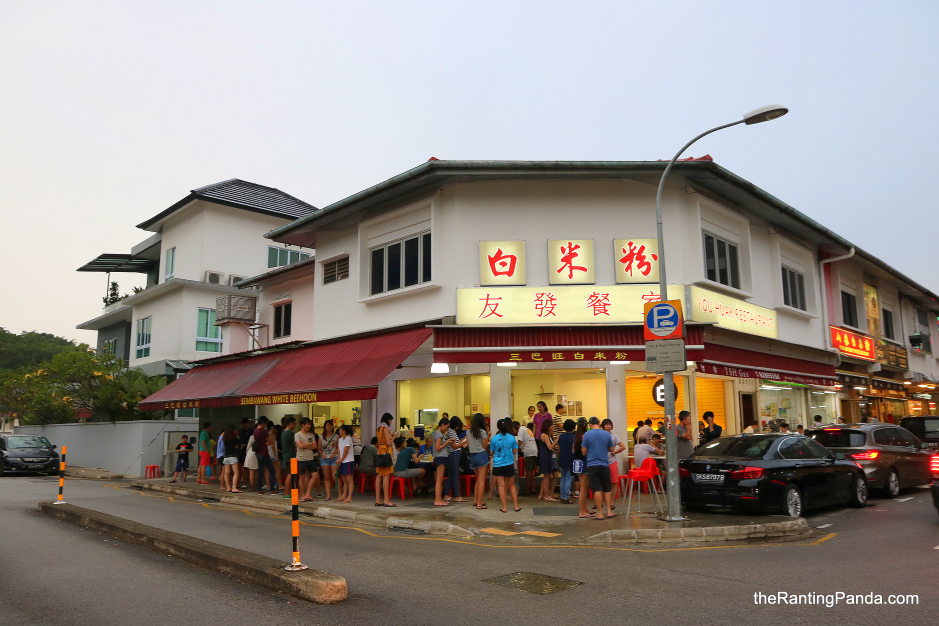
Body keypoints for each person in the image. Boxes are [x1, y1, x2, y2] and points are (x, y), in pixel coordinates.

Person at [582, 416, 616, 519]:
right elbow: (612, 449)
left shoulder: (587, 435)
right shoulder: (606, 434)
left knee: (596, 489)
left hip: (592, 465)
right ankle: (609, 511)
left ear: (590, 424)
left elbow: (583, 451)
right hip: (605, 464)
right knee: (607, 488)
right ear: (600, 423)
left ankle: (600, 514)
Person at [491, 418, 520, 513]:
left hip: (498, 464)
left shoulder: (494, 438)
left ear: (497, 427)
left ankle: (504, 507)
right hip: (509, 464)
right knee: (512, 485)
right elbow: (515, 451)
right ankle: (516, 506)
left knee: (501, 486)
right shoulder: (512, 437)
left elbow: (493, 451)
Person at [467, 413, 489, 509]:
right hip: (481, 455)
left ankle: (476, 500)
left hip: (472, 456)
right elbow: (484, 446)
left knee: (478, 479)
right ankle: (479, 503)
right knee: (481, 481)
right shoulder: (483, 432)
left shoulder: (468, 431)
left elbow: (467, 445)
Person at [294, 418, 320, 502]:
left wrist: (305, 445)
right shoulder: (297, 435)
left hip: (310, 458)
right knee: (302, 477)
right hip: (301, 459)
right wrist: (309, 444)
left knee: (315, 475)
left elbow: (315, 446)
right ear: (303, 425)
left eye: (310, 424)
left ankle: (308, 493)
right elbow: (300, 446)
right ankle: (302, 495)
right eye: (308, 424)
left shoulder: (311, 435)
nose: (309, 426)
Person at [375, 413, 396, 507]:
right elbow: (388, 442)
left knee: (379, 475)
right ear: (388, 419)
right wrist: (394, 437)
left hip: (380, 451)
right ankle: (386, 500)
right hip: (386, 452)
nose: (391, 422)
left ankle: (378, 499)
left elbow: (382, 439)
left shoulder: (379, 428)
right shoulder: (386, 428)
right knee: (386, 476)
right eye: (390, 420)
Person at [444, 416, 466, 502]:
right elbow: (454, 446)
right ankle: (457, 495)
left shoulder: (451, 432)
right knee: (456, 474)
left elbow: (456, 442)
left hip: (452, 454)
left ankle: (446, 495)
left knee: (451, 474)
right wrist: (463, 443)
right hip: (454, 454)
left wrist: (464, 440)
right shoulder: (452, 433)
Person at [573, 420, 591, 518]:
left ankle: (585, 509)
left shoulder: (575, 436)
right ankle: (582, 511)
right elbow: (585, 451)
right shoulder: (585, 436)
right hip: (584, 462)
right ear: (584, 425)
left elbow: (572, 450)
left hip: (577, 462)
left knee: (582, 487)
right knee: (583, 488)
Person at [432, 417, 452, 506]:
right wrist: (446, 443)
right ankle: (437, 500)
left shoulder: (436, 433)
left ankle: (439, 499)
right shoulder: (439, 434)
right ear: (442, 425)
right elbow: (438, 447)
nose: (447, 430)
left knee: (439, 480)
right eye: (446, 427)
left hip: (439, 457)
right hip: (440, 457)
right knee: (439, 480)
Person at [254, 417, 276, 495]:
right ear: (263, 423)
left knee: (260, 471)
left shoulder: (255, 431)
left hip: (258, 453)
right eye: (266, 423)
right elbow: (269, 441)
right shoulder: (264, 431)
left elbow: (259, 441)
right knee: (272, 470)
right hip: (264, 453)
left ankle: (259, 488)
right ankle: (272, 489)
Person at [537, 421, 558, 502]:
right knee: (546, 477)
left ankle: (543, 494)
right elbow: (550, 447)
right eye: (551, 426)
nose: (553, 427)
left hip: (548, 457)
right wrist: (557, 440)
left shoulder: (548, 436)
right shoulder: (544, 435)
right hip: (545, 458)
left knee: (547, 477)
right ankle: (546, 495)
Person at [557, 419, 576, 504]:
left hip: (561, 458)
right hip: (570, 458)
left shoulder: (561, 436)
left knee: (563, 478)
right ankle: (566, 497)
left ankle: (562, 496)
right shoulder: (573, 437)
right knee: (568, 478)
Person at [335, 424, 355, 503]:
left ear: (344, 431)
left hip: (348, 460)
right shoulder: (340, 440)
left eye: (340, 429)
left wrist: (341, 459)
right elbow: (339, 450)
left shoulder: (348, 438)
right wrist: (339, 459)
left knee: (349, 479)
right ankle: (343, 496)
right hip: (342, 461)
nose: (339, 431)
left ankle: (349, 496)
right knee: (344, 479)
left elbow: (346, 450)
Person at [320, 419, 339, 500]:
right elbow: (318, 448)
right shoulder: (321, 437)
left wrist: (333, 453)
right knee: (326, 477)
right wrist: (322, 453)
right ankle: (328, 495)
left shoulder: (336, 436)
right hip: (324, 459)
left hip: (334, 458)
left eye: (331, 425)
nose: (329, 427)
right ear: (324, 426)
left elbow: (338, 447)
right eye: (327, 425)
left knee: (335, 476)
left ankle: (339, 493)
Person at [219, 425, 242, 493]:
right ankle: (234, 487)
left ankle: (228, 487)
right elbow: (239, 446)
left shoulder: (224, 439)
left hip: (226, 457)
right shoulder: (235, 438)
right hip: (233, 456)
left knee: (226, 473)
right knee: (236, 472)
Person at [518, 420, 538, 495]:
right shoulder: (528, 430)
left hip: (528, 452)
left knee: (528, 471)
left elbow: (519, 443)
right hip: (534, 451)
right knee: (532, 471)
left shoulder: (521, 430)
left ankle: (527, 490)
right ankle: (533, 488)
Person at [281, 417, 297, 499]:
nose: (295, 425)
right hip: (292, 456)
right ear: (290, 423)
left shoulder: (283, 433)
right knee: (290, 474)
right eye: (294, 423)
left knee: (289, 473)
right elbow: (295, 444)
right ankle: (287, 493)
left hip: (285, 456)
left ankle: (289, 492)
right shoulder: (291, 433)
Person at [237, 417, 252, 488]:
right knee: (239, 467)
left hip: (248, 451)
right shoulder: (241, 431)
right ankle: (238, 481)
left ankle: (245, 482)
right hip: (241, 451)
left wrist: (245, 445)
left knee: (246, 468)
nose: (243, 425)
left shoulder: (251, 431)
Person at [268, 423, 281, 491]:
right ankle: (280, 485)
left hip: (268, 454)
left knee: (268, 471)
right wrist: (276, 456)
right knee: (277, 470)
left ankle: (269, 485)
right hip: (273, 455)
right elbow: (273, 446)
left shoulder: (266, 435)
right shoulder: (272, 435)